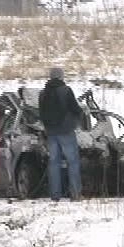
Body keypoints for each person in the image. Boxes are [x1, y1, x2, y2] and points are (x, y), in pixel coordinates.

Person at [38, 67, 83, 202]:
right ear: (61, 76)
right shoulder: (66, 91)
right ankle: (75, 193)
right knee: (73, 162)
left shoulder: (43, 93)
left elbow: (40, 112)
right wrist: (78, 119)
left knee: (54, 163)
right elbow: (75, 108)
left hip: (51, 132)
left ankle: (55, 195)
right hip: (66, 131)